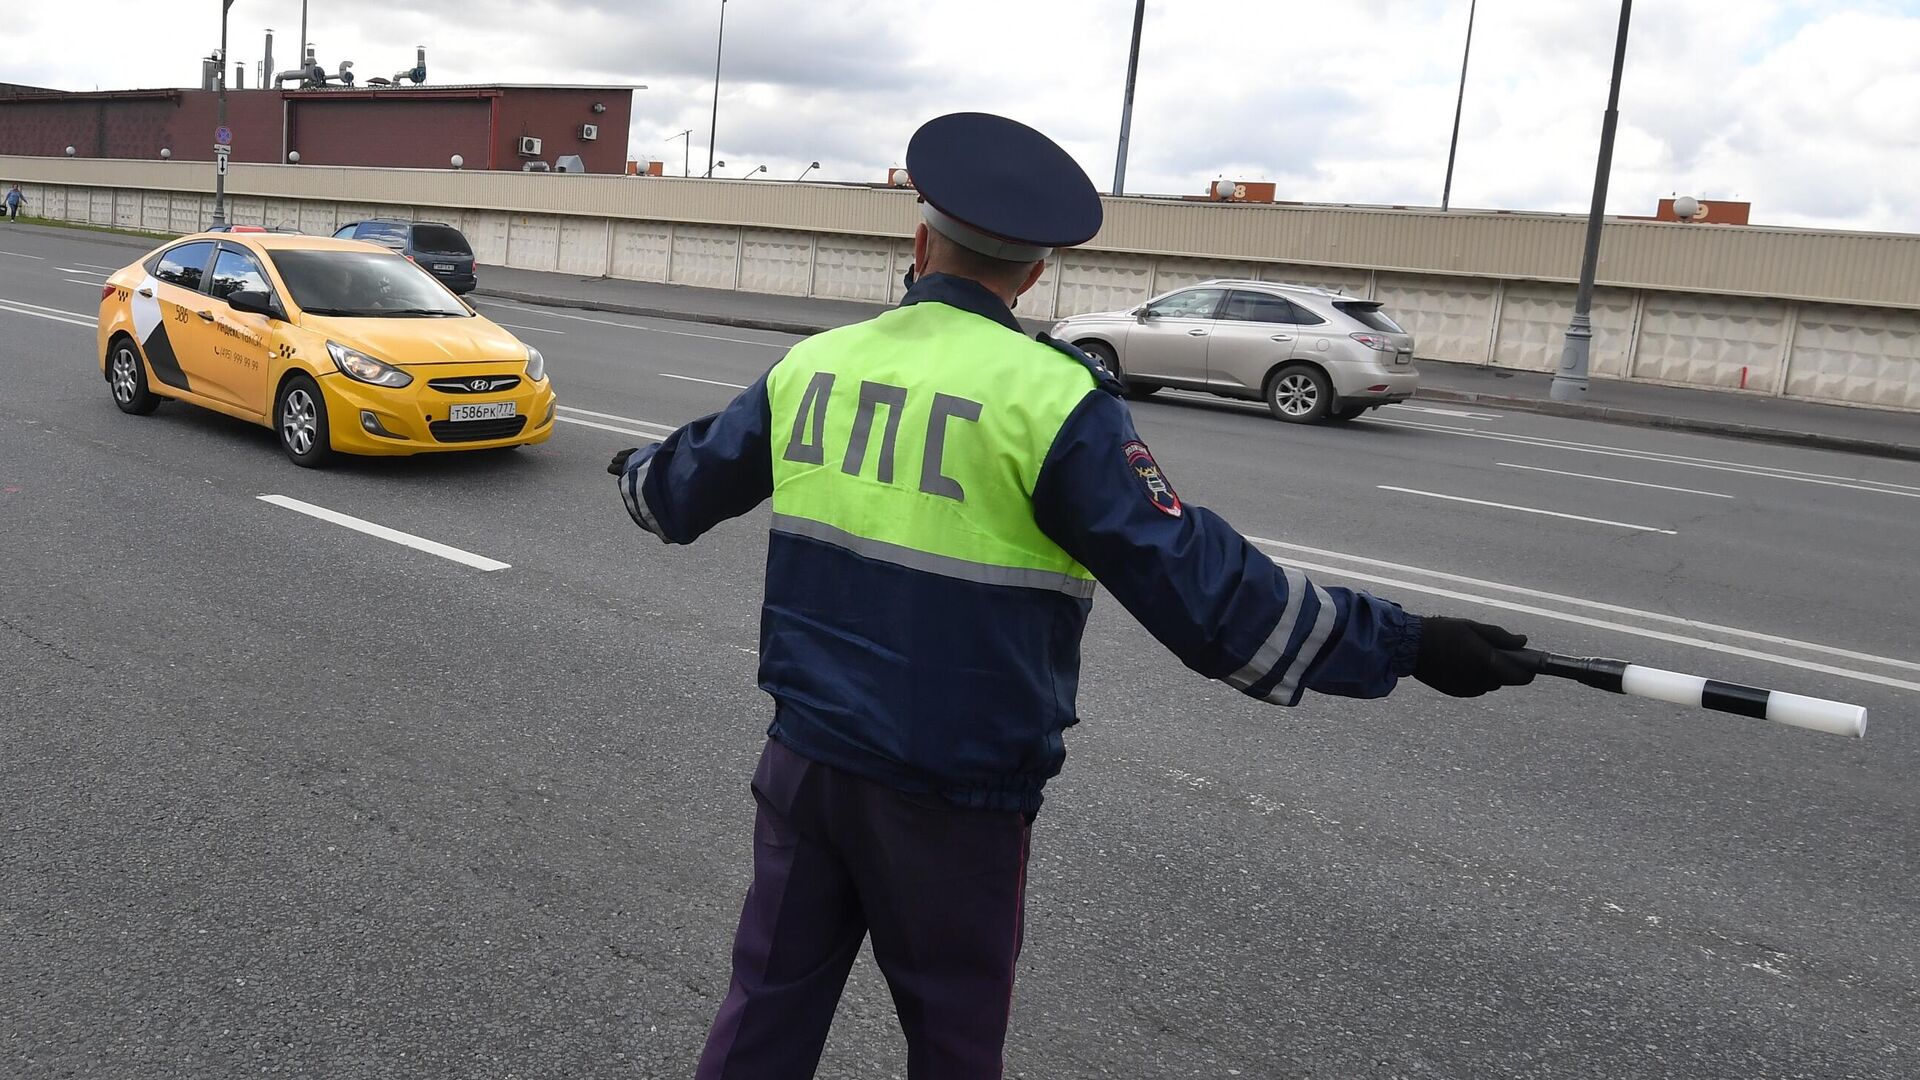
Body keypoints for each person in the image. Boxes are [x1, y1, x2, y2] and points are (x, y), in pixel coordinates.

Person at [609, 112, 1535, 1079]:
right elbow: (1212, 601)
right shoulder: (1054, 399)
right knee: (954, 1040)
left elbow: (681, 490)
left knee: (764, 1016)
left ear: (920, 243)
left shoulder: (819, 363)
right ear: (1034, 273)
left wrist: (637, 468)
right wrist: (1409, 645)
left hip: (806, 763)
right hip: (954, 797)